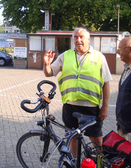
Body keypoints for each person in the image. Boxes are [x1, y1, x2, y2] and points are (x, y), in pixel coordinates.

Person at [43, 27, 112, 156]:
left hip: (91, 107)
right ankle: (76, 162)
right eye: (75, 37)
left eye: (81, 37)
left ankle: (100, 162)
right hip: (70, 107)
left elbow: (106, 83)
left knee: (95, 138)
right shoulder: (65, 56)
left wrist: (105, 107)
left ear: (88, 39)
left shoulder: (99, 57)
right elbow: (49, 73)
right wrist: (47, 63)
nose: (78, 40)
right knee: (72, 136)